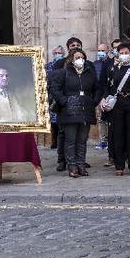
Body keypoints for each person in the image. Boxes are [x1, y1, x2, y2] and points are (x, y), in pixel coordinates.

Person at [52, 48, 101, 178]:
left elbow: (97, 88)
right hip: (69, 111)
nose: (80, 60)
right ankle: (72, 165)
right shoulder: (64, 72)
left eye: (82, 57)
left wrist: (93, 101)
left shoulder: (89, 72)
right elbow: (55, 89)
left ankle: (81, 164)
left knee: (82, 139)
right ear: (71, 59)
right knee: (71, 139)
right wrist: (64, 101)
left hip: (85, 110)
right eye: (77, 57)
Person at [104, 43, 130, 175]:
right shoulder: (113, 69)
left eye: (126, 52)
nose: (124, 55)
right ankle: (119, 165)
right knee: (118, 135)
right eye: (121, 52)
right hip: (118, 104)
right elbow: (108, 87)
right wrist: (105, 99)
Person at [93, 43, 112, 150]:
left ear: (108, 51)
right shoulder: (95, 64)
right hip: (98, 95)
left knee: (111, 119)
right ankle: (103, 141)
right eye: (99, 50)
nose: (101, 53)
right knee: (101, 119)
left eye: (103, 50)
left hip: (108, 95)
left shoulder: (111, 63)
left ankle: (111, 140)